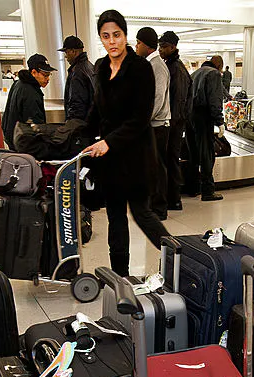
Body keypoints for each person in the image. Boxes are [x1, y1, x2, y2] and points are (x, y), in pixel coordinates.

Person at [81, 10, 170, 276]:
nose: (112, 41)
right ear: (100, 38)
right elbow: (97, 109)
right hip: (110, 161)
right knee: (115, 219)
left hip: (136, 156)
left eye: (117, 35)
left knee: (142, 214)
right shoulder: (100, 67)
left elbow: (141, 117)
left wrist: (108, 141)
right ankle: (119, 276)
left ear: (125, 35)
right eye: (106, 36)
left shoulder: (140, 68)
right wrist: (83, 134)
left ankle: (179, 258)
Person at [135, 26, 171, 221]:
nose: (136, 46)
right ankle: (152, 204)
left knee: (157, 166)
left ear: (146, 45)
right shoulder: (150, 64)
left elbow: (156, 98)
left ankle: (159, 208)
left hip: (157, 126)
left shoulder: (157, 66)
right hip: (152, 124)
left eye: (138, 42)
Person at [158, 31, 189, 212]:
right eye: (160, 46)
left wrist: (170, 124)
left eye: (164, 47)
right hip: (173, 122)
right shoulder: (170, 66)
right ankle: (172, 198)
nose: (161, 49)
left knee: (170, 160)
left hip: (173, 124)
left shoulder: (176, 69)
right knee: (169, 160)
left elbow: (177, 101)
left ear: (173, 47)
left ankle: (174, 199)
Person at [187, 54, 226, 201]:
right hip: (203, 117)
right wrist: (219, 121)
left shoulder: (194, 73)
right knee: (206, 153)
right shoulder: (214, 74)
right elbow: (214, 99)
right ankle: (208, 191)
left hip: (189, 116)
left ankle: (192, 188)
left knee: (193, 154)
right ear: (219, 66)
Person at [2, 53, 54, 149]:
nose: (48, 79)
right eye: (45, 75)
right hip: (22, 143)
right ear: (34, 72)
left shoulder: (18, 83)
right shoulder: (31, 93)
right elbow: (35, 124)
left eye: (49, 75)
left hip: (13, 138)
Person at [60, 35, 95, 121]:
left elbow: (77, 105)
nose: (65, 56)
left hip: (81, 124)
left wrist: (71, 125)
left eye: (67, 52)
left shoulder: (77, 72)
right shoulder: (90, 66)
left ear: (73, 51)